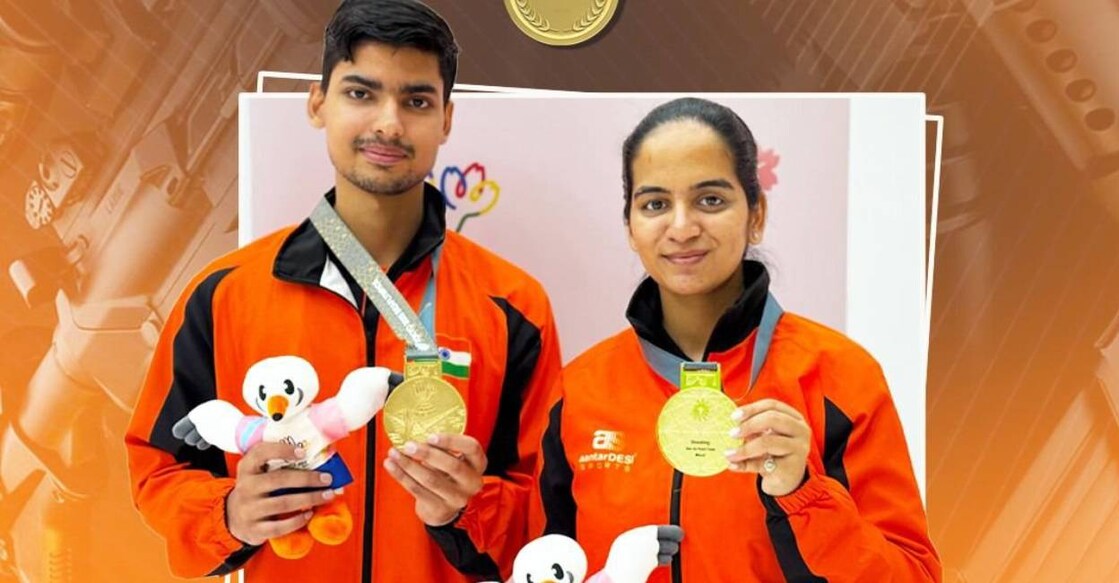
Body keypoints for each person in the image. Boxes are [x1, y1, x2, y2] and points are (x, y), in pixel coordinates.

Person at [125, 1, 561, 581]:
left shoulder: (512, 306)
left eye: (416, 101)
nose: (388, 123)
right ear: (317, 103)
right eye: (361, 93)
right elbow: (158, 468)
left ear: (447, 119)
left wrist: (468, 507)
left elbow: (551, 500)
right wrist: (228, 513)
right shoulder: (224, 294)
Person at [533, 97, 941, 582]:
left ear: (756, 214)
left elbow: (914, 576)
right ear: (630, 227)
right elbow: (544, 561)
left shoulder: (840, 375)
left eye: (711, 200)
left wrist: (803, 492)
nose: (682, 228)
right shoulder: (581, 388)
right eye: (655, 204)